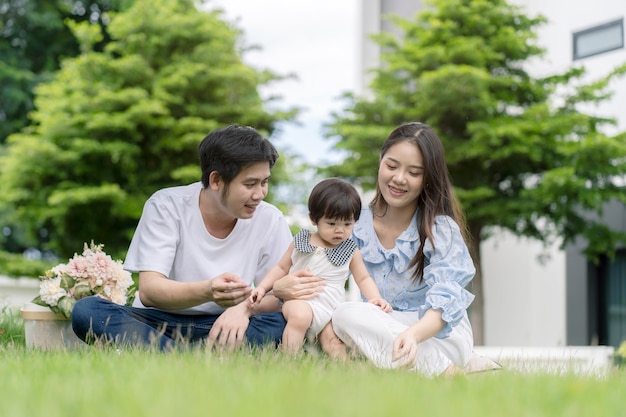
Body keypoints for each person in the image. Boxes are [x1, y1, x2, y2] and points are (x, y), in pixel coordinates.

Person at [276, 122, 491, 376]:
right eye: (392, 166)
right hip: (376, 328)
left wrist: (412, 334)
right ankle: (421, 370)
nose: (399, 178)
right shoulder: (352, 224)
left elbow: (445, 305)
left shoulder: (440, 229)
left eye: (414, 172)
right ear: (380, 163)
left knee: (348, 318)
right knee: (341, 316)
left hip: (434, 333)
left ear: (428, 178)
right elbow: (318, 279)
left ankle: (444, 370)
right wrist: (279, 288)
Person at [71, 124, 293, 351]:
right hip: (160, 321)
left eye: (264, 182)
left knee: (283, 322)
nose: (260, 194)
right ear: (216, 180)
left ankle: (169, 354)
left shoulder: (270, 219)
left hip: (226, 323)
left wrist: (245, 309)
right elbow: (150, 291)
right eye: (250, 184)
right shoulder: (166, 206)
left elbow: (281, 294)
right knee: (88, 311)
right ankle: (193, 356)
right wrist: (209, 291)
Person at [248, 178, 391, 354]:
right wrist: (262, 287)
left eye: (347, 224)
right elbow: (281, 268)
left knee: (333, 340)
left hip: (330, 308)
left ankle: (345, 371)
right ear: (313, 219)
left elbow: (363, 278)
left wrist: (374, 298)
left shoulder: (350, 250)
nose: (340, 230)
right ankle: (288, 358)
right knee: (300, 318)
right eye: (332, 224)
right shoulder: (302, 241)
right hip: (300, 300)